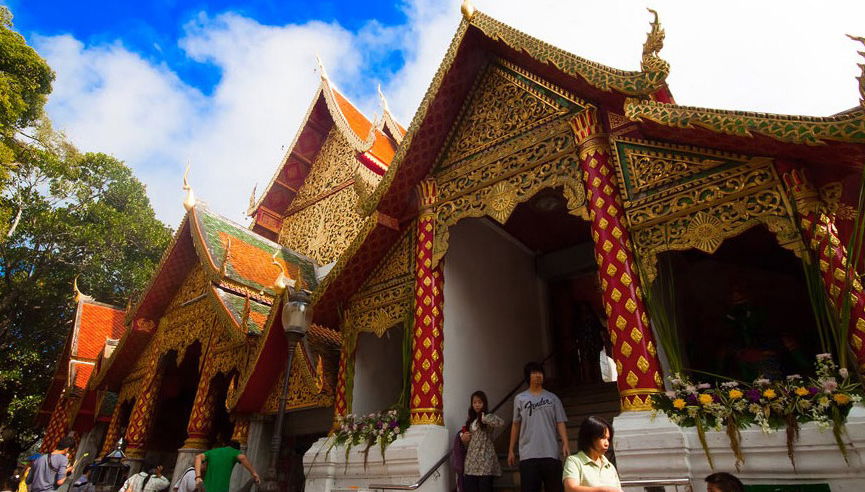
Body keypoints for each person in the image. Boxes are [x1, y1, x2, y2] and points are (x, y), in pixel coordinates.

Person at [508, 362, 569, 492]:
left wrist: (565, 443)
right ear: (528, 376)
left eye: (540, 373)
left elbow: (560, 422)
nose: (538, 375)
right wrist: (511, 449)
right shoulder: (520, 399)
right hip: (528, 455)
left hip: (550, 453)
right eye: (534, 373)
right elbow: (515, 424)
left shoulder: (553, 398)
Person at [460, 391, 504, 492]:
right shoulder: (471, 420)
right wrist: (464, 439)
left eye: (480, 402)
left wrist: (486, 419)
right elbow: (468, 443)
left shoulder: (488, 417)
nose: (477, 405)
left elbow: (501, 423)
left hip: (485, 462)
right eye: (474, 402)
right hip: (471, 463)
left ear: (484, 403)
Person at [562, 416, 620, 492]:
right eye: (602, 438)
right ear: (590, 437)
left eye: (608, 439)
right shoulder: (574, 461)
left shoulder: (609, 466)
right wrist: (604, 490)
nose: (607, 443)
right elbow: (570, 488)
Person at [194, 441, 260, 492]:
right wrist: (254, 473)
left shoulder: (213, 452)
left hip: (206, 489)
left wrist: (198, 477)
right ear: (237, 449)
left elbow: (198, 457)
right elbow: (242, 457)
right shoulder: (234, 451)